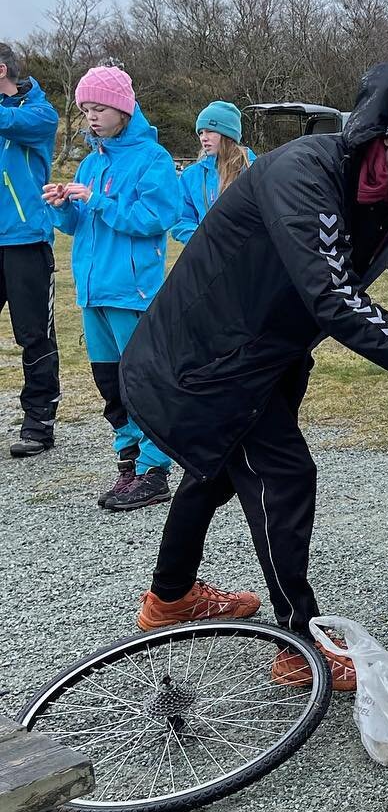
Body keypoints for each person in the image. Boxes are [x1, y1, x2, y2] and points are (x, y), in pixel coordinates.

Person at [119, 63, 388, 690]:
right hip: (205, 355)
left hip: (264, 357)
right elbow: (333, 299)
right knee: (285, 479)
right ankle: (299, 644)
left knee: (215, 473)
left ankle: (170, 598)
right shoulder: (306, 171)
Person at [43, 65, 180, 510]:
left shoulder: (153, 159)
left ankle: (156, 470)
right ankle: (128, 461)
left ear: (123, 108)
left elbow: (154, 220)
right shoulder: (90, 160)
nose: (91, 118)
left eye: (99, 108)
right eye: (84, 110)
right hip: (92, 292)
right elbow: (78, 227)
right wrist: (63, 207)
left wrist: (98, 201)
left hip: (132, 292)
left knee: (142, 381)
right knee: (109, 382)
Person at [0, 42, 62, 458]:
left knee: (34, 335)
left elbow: (13, 122)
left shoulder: (39, 112)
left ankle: (39, 421)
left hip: (24, 240)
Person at [172, 100, 254, 243]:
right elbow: (181, 219)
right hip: (207, 258)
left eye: (210, 131)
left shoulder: (252, 170)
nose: (204, 137)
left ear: (227, 134)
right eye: (201, 132)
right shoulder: (190, 176)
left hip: (248, 256)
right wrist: (201, 241)